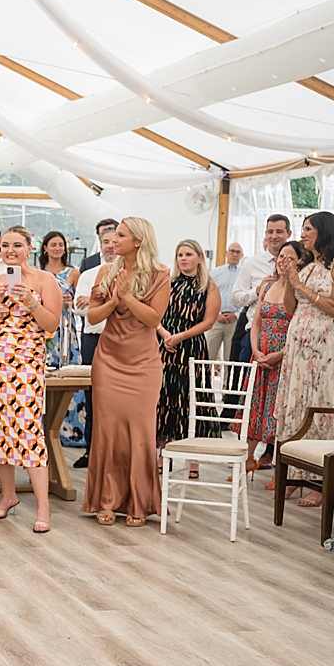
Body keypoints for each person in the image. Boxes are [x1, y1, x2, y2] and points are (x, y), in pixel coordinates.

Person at [0, 226, 62, 534]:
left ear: (28, 247)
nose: (10, 250)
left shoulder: (44, 280)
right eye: (5, 245)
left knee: (27, 430)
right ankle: (8, 495)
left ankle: (43, 506)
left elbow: (52, 325)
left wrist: (32, 303)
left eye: (17, 245)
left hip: (25, 362)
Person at [82, 217, 171, 526]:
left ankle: (139, 501)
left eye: (120, 234)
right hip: (108, 361)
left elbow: (152, 319)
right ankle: (106, 500)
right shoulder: (106, 272)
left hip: (143, 364)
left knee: (140, 432)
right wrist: (115, 299)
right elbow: (93, 317)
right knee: (107, 432)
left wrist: (128, 297)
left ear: (138, 241)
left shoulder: (160, 275)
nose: (112, 238)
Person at [274, 211, 334, 508]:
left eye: (308, 229)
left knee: (321, 408)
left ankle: (321, 481)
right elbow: (290, 309)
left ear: (324, 231)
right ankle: (294, 475)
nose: (303, 234)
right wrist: (289, 282)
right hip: (299, 346)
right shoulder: (307, 264)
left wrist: (301, 285)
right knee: (297, 407)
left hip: (326, 348)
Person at [156, 240, 220, 460]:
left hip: (191, 346)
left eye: (188, 254)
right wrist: (165, 335)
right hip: (166, 345)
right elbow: (154, 314)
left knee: (192, 398)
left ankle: (194, 460)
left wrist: (180, 337)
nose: (183, 258)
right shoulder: (168, 283)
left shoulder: (209, 287)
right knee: (165, 397)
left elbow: (209, 321)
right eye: (180, 254)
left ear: (200, 258)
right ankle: (163, 455)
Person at [246, 241, 305, 477]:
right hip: (261, 356)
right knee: (254, 408)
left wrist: (279, 354)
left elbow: (298, 328)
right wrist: (257, 352)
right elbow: (256, 323)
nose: (283, 261)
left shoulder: (299, 290)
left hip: (284, 358)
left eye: (290, 258)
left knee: (277, 412)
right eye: (281, 256)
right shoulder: (267, 285)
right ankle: (248, 459)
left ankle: (281, 471)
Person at [70, 227, 118, 468]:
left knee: (118, 397)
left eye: (114, 241)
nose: (110, 245)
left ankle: (117, 453)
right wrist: (109, 301)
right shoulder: (89, 274)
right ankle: (91, 451)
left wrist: (96, 300)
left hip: (121, 340)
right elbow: (80, 309)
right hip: (94, 339)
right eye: (105, 241)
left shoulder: (131, 274)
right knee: (93, 396)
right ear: (99, 245)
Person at [230, 215, 292, 363]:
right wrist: (257, 291)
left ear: (288, 234)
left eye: (279, 232)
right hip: (254, 335)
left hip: (288, 337)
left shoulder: (299, 263)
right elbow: (235, 299)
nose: (274, 236)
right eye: (270, 232)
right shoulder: (252, 263)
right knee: (248, 384)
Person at [38, 230, 79, 367]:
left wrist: (70, 302)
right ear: (45, 248)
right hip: (47, 322)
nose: (57, 248)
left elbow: (80, 303)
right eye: (53, 245)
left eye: (61, 245)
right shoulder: (39, 273)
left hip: (67, 323)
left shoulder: (73, 273)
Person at [207, 243, 243, 361]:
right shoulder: (215, 273)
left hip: (234, 322)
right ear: (226, 253)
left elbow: (247, 297)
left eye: (238, 252)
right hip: (216, 320)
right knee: (208, 356)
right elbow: (207, 295)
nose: (234, 254)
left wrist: (237, 315)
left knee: (230, 359)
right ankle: (205, 380)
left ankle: (227, 380)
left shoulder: (244, 274)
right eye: (232, 251)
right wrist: (215, 315)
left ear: (242, 255)